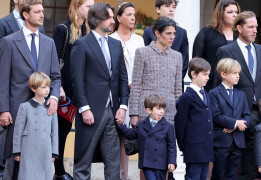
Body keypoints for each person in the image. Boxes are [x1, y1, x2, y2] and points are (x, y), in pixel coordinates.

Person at [0, 0, 61, 179]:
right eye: (38, 11)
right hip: (17, 110)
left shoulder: (49, 43)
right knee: (14, 160)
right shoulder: (9, 42)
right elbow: (3, 80)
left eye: (43, 11)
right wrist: (4, 109)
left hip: (43, 110)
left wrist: (54, 97)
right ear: (26, 14)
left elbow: (55, 76)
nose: (42, 15)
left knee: (41, 163)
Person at [71, 3, 129, 179]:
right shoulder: (81, 45)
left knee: (113, 163)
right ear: (97, 20)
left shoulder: (116, 45)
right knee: (83, 161)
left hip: (113, 111)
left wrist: (123, 106)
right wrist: (84, 108)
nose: (113, 21)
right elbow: (77, 81)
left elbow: (123, 78)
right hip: (90, 112)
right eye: (110, 17)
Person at [215, 11, 261, 180]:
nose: (255, 30)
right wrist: (225, 118)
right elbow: (218, 84)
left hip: (258, 111)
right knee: (230, 158)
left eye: (256, 27)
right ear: (239, 28)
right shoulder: (225, 50)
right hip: (233, 112)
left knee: (253, 155)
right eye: (250, 27)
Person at [53, 0, 93, 179]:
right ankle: (59, 172)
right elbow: (54, 60)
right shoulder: (64, 29)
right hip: (66, 93)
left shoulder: (90, 30)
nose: (92, 10)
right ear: (77, 7)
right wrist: (58, 86)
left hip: (85, 91)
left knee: (83, 133)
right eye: (88, 7)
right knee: (62, 132)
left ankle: (81, 171)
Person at [110, 2, 144, 180]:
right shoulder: (111, 39)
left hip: (136, 92)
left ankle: (129, 174)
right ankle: (119, 174)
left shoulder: (139, 40)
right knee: (118, 133)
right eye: (129, 14)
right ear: (118, 17)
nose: (133, 18)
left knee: (132, 133)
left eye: (134, 14)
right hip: (116, 93)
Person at [129, 16, 182, 126]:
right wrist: (134, 113)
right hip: (147, 110)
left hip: (170, 112)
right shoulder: (142, 53)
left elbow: (178, 89)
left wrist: (179, 112)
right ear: (157, 33)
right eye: (168, 33)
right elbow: (136, 85)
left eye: (174, 33)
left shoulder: (177, 56)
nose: (172, 37)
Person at [209, 58, 251, 180]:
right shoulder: (214, 93)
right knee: (219, 175)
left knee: (233, 175)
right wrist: (235, 123)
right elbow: (215, 115)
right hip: (221, 141)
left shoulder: (241, 94)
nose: (238, 76)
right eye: (234, 73)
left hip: (238, 142)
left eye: (238, 73)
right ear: (223, 74)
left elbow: (247, 115)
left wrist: (238, 125)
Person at [117, 94, 176, 180]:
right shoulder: (142, 125)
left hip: (162, 163)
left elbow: (172, 146)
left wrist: (172, 162)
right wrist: (121, 126)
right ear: (149, 110)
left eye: (163, 108)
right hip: (147, 163)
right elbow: (131, 135)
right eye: (159, 109)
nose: (162, 111)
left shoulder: (168, 126)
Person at [12, 72, 58, 180]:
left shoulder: (51, 108)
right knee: (27, 175)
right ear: (33, 88)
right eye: (43, 87)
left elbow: (55, 132)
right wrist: (16, 151)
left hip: (45, 149)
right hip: (28, 149)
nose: (47, 90)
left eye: (48, 86)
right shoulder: (24, 107)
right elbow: (18, 131)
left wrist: (54, 152)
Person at [174, 57, 214, 180]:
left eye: (208, 74)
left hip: (205, 147)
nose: (207, 77)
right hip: (193, 147)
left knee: (203, 176)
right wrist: (183, 147)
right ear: (193, 74)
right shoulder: (186, 97)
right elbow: (180, 124)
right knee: (193, 176)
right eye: (205, 74)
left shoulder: (206, 95)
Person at [192, 0, 240, 92]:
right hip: (210, 84)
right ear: (221, 14)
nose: (234, 15)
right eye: (230, 12)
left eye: (236, 12)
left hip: (235, 86)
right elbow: (196, 61)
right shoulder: (206, 32)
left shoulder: (239, 35)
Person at [143, 0, 188, 90]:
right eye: (167, 6)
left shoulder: (182, 33)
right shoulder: (148, 32)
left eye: (174, 7)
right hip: (153, 86)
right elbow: (145, 61)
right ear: (158, 9)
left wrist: (174, 81)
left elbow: (184, 61)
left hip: (175, 87)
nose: (171, 10)